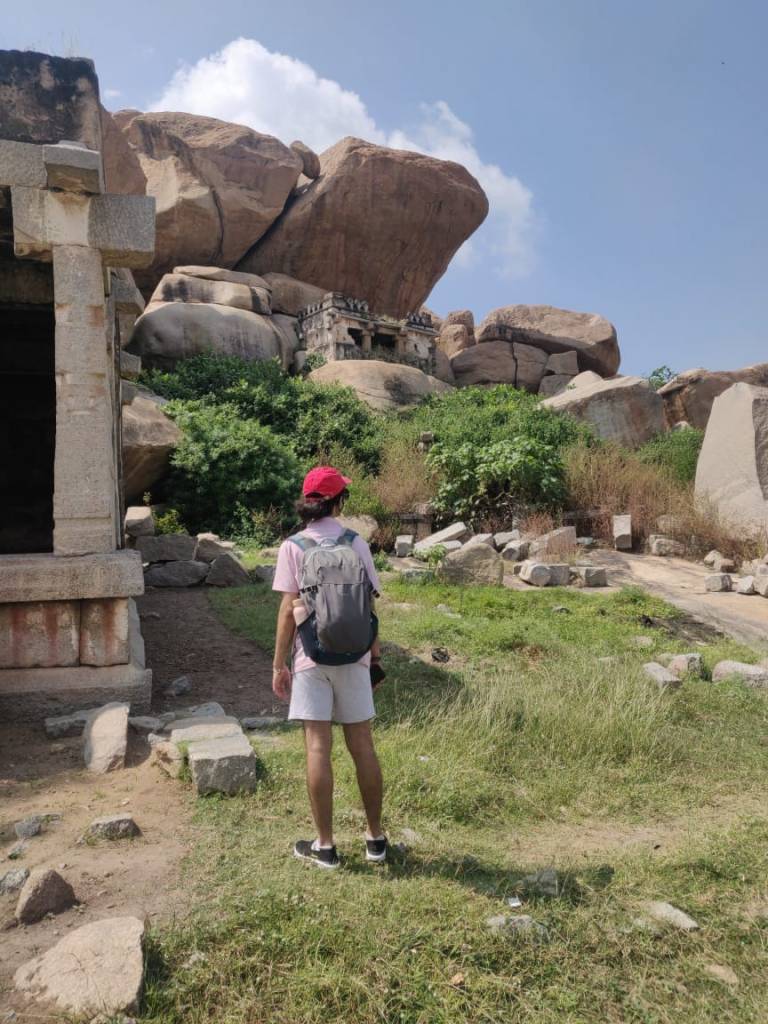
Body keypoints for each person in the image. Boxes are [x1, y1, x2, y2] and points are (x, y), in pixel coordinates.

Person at [272, 465, 387, 869]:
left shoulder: (294, 546)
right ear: (339, 501)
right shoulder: (356, 543)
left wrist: (278, 664)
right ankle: (375, 840)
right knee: (363, 746)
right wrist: (373, 659)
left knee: (318, 746)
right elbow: (369, 607)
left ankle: (325, 847)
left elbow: (288, 610)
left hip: (310, 656)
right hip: (354, 655)